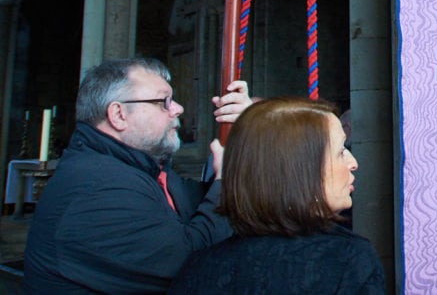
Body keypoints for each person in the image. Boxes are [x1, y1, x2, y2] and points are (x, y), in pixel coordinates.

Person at [24, 57, 252, 293]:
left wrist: (250, 124)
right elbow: (192, 265)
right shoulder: (98, 189)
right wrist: (225, 180)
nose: (178, 108)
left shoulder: (138, 168)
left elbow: (203, 203)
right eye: (164, 101)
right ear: (119, 114)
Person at [168, 97, 385, 293]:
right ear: (300, 171)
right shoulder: (347, 260)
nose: (353, 163)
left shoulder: (198, 267)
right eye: (340, 152)